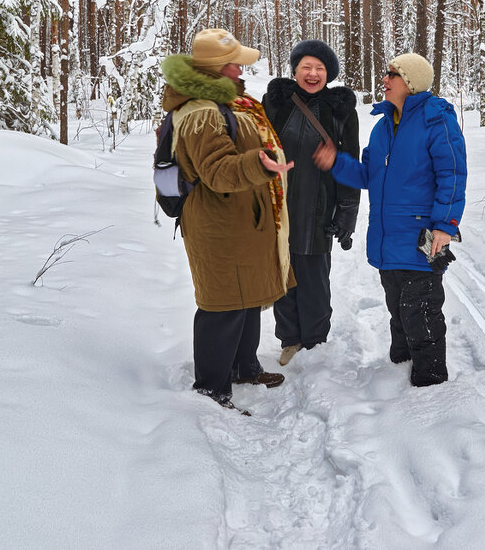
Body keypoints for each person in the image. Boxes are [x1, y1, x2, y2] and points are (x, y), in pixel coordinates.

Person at [160, 28, 294, 413]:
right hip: (219, 224)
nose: (242, 70)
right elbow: (217, 172)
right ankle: (212, 387)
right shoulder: (202, 113)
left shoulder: (225, 103)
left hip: (240, 220)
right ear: (219, 69)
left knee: (245, 297)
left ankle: (244, 367)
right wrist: (260, 163)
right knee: (223, 306)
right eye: (236, 64)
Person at [312, 53, 466, 387]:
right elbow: (368, 174)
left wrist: (445, 225)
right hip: (387, 240)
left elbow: (452, 173)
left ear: (409, 83)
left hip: (419, 239)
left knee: (421, 313)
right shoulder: (383, 126)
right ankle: (400, 368)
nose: (384, 80)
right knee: (398, 310)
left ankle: (431, 384)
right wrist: (336, 162)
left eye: (391, 74)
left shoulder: (434, 120)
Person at [263, 40, 360, 366]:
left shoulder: (340, 110)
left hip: (320, 206)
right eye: (306, 67)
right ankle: (289, 340)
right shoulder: (276, 104)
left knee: (315, 280)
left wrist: (347, 213)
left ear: (328, 74)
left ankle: (316, 344)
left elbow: (351, 161)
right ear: (295, 70)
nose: (313, 73)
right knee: (284, 275)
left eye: (319, 68)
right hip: (279, 205)